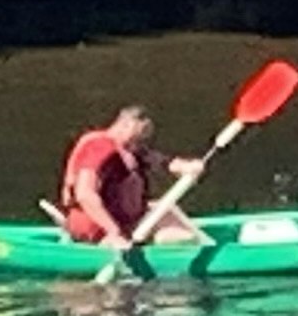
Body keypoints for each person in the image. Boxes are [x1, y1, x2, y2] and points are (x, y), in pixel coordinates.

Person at [52, 103, 207, 246]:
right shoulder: (99, 147)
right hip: (99, 228)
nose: (142, 141)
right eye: (140, 135)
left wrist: (187, 167)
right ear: (125, 125)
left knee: (168, 215)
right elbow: (85, 194)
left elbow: (163, 162)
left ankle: (186, 245)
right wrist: (113, 230)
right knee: (174, 237)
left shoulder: (130, 148)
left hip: (127, 223)